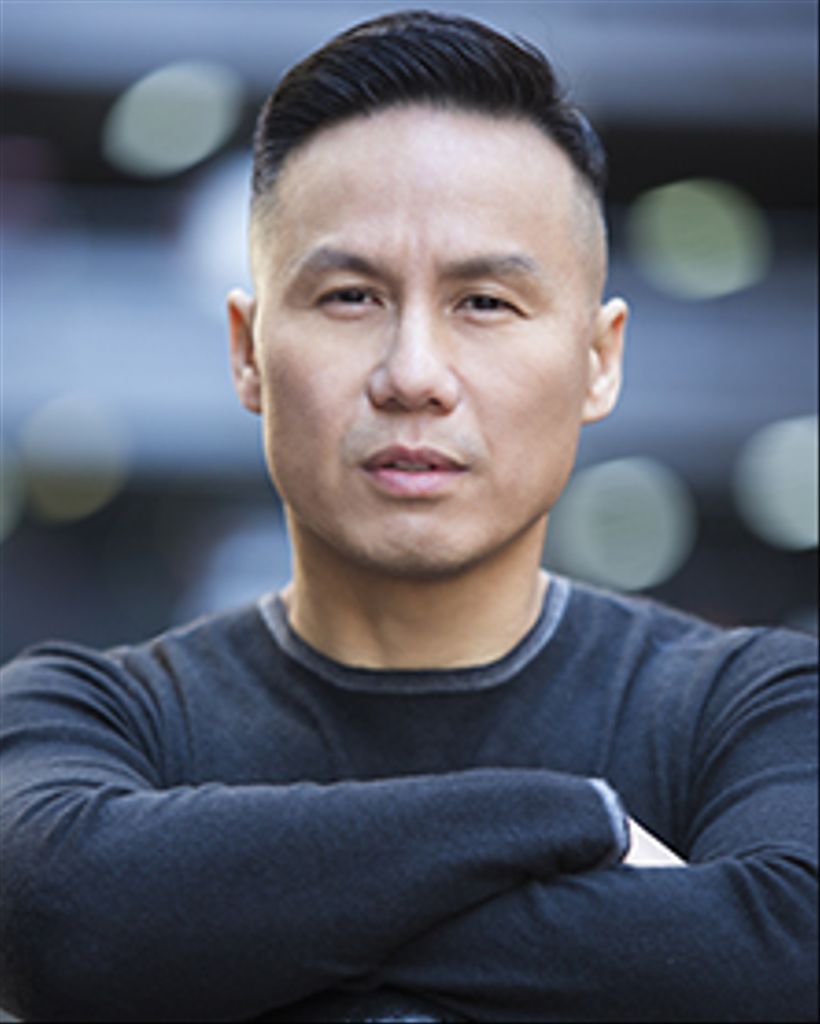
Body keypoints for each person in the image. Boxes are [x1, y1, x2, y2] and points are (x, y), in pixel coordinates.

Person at [0, 9, 816, 1022]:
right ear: (249, 353)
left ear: (598, 360)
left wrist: (222, 930)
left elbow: (788, 953)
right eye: (351, 296)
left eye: (484, 302)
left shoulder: (750, 708)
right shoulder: (91, 714)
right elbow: (61, 921)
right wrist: (574, 817)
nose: (414, 374)